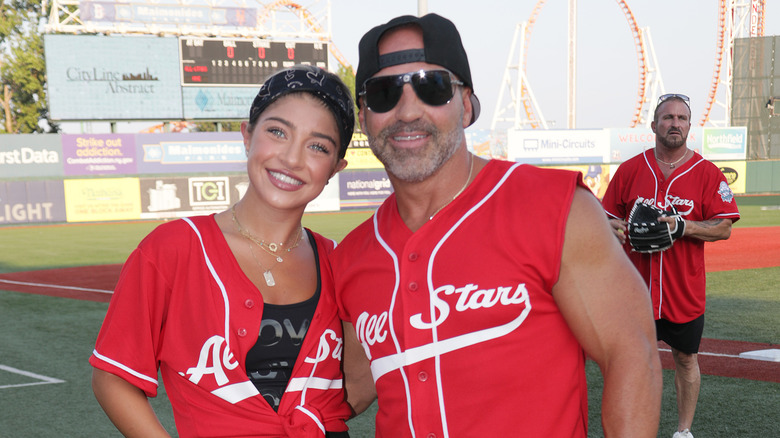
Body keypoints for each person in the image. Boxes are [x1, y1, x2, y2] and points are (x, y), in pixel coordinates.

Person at [331, 13, 662, 437]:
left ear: (466, 104)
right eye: (382, 93)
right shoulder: (354, 255)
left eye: (431, 86)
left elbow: (631, 353)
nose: (407, 110)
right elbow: (348, 388)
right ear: (364, 116)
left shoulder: (555, 206)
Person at [89, 65, 355, 438]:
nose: (292, 159)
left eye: (318, 146)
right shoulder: (173, 249)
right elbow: (112, 376)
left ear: (335, 168)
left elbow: (359, 384)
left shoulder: (339, 261)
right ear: (247, 136)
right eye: (277, 132)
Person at [601, 93, 740, 438]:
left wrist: (685, 226)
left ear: (689, 126)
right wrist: (614, 226)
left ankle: (683, 431)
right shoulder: (631, 169)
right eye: (667, 118)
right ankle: (633, 428)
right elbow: (605, 215)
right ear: (654, 125)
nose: (674, 123)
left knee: (685, 359)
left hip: (683, 290)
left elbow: (723, 226)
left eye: (681, 118)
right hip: (636, 289)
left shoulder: (706, 173)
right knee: (634, 362)